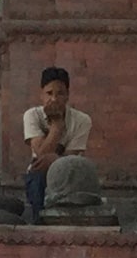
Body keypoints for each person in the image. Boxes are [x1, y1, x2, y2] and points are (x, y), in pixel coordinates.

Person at [19, 66, 89, 219]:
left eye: (60, 93)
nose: (54, 99)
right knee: (37, 177)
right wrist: (57, 126)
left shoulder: (82, 120)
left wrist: (55, 159)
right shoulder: (32, 116)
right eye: (49, 93)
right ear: (41, 95)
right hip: (39, 172)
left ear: (67, 96)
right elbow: (41, 153)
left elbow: (71, 161)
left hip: (70, 175)